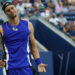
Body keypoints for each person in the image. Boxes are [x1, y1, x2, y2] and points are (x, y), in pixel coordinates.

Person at [0, 2, 47, 75]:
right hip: (11, 69)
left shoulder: (28, 25)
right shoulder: (2, 29)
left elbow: (33, 47)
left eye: (12, 8)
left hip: (27, 67)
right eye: (8, 10)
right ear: (6, 14)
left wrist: (39, 62)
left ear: (16, 8)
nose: (11, 11)